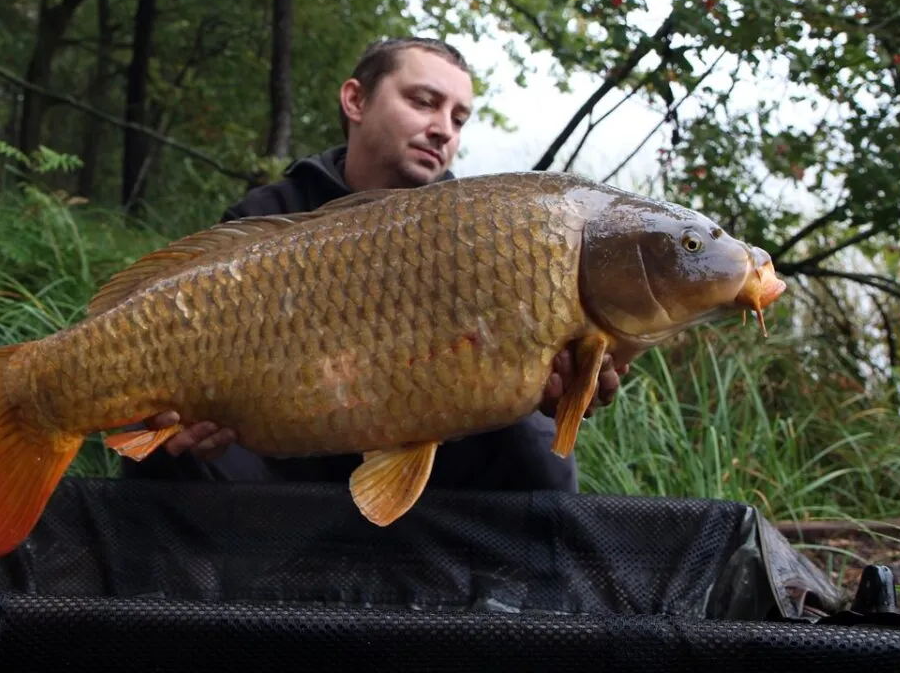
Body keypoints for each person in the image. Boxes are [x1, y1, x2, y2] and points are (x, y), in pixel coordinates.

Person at [120, 37, 627, 492]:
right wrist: (180, 418)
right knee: (168, 453)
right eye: (424, 102)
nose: (442, 130)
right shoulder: (268, 214)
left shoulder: (482, 233)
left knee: (542, 456)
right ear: (355, 100)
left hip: (430, 443)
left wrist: (558, 389)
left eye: (458, 119)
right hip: (283, 450)